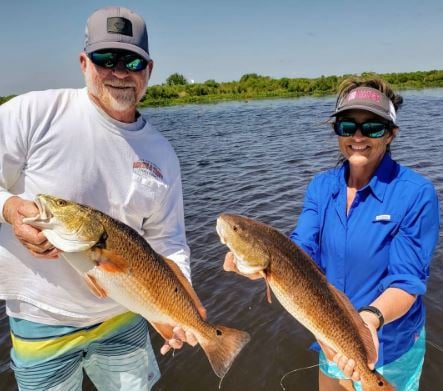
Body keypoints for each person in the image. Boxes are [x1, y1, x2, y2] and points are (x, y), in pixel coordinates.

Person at [0, 6, 196, 391]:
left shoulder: (162, 155)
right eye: (107, 58)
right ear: (83, 62)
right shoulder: (32, 112)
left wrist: (181, 307)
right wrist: (9, 210)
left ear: (149, 70)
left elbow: (169, 242)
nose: (120, 71)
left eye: (133, 62)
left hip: (126, 315)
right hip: (42, 322)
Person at [224, 77, 439, 390]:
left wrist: (369, 321)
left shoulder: (416, 194)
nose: (358, 137)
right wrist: (255, 263)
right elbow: (301, 249)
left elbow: (406, 281)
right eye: (347, 126)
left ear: (391, 133)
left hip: (391, 345)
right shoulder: (321, 188)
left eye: (373, 127)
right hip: (329, 337)